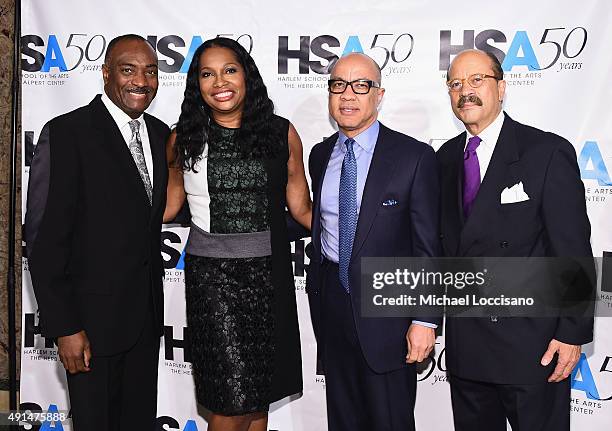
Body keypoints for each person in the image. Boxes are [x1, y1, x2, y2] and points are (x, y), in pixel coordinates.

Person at [438, 49, 595, 431]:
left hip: (533, 347)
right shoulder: (442, 159)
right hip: (467, 349)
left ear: (502, 88)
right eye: (456, 84)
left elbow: (572, 251)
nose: (465, 92)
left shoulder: (546, 151)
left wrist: (571, 334)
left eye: (477, 80)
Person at [163, 37, 311, 431]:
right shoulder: (183, 139)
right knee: (229, 402)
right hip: (213, 283)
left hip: (269, 278)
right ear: (197, 84)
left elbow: (302, 209)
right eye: (207, 74)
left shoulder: (281, 134)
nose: (219, 82)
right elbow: (166, 208)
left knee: (257, 397)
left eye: (229, 70)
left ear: (246, 75)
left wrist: (360, 232)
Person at [25, 34, 169, 430]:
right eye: (128, 69)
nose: (141, 80)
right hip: (89, 327)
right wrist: (65, 327)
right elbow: (44, 241)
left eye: (151, 71)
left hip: (144, 321)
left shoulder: (159, 134)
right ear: (106, 73)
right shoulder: (68, 133)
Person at [306, 52, 441, 431]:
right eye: (338, 85)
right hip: (332, 305)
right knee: (343, 420)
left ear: (379, 95)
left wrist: (425, 319)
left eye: (360, 85)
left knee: (390, 421)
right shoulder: (320, 155)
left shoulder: (414, 157)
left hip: (390, 313)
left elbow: (428, 246)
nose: (348, 95)